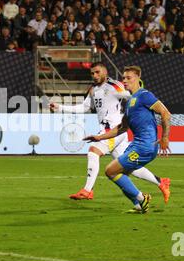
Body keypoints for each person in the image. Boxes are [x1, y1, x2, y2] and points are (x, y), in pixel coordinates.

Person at [50, 63, 171, 203]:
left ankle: (88, 190)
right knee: (126, 167)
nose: (95, 76)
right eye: (92, 73)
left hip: (114, 129)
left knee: (94, 152)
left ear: (105, 72)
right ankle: (160, 182)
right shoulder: (93, 89)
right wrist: (59, 107)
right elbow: (85, 107)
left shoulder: (115, 86)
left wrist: (164, 136)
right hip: (114, 131)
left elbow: (131, 95)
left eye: (97, 72)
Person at [83, 66, 172, 213]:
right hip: (135, 145)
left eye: (128, 78)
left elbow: (165, 113)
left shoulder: (145, 95)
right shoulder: (131, 101)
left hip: (145, 146)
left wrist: (165, 137)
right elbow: (121, 128)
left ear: (138, 78)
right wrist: (99, 137)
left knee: (110, 171)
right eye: (123, 78)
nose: (124, 81)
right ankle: (139, 205)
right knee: (121, 174)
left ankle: (142, 199)